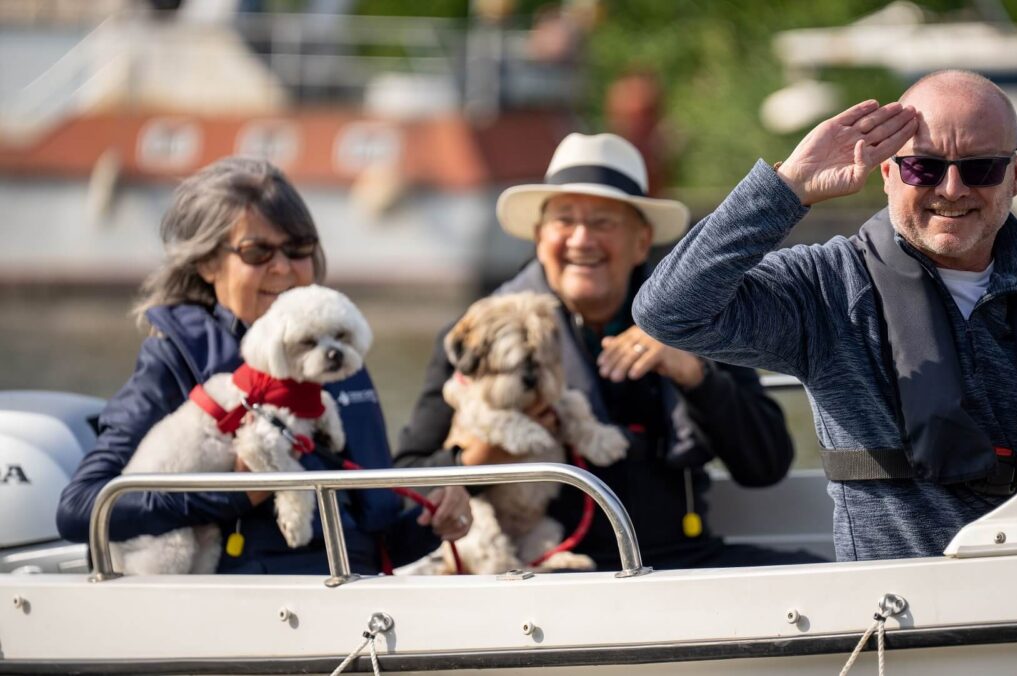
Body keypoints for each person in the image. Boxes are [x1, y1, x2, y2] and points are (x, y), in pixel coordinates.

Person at [633, 70, 1017, 562]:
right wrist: (788, 187)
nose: (953, 189)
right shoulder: (826, 288)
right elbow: (669, 312)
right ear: (888, 171)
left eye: (982, 167)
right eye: (926, 168)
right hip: (900, 618)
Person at [395, 133, 820, 570]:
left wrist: (692, 372)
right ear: (540, 237)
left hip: (685, 559)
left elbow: (766, 466)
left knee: (820, 577)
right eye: (564, 220)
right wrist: (484, 456)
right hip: (546, 569)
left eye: (603, 222)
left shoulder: (702, 321)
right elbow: (408, 482)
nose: (581, 240)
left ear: (641, 241)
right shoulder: (479, 334)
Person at [56, 157, 472, 574]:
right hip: (246, 612)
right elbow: (81, 507)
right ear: (207, 263)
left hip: (354, 600)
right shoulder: (173, 360)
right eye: (257, 252)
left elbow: (376, 540)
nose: (283, 267)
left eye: (298, 249)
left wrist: (432, 521)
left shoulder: (339, 363)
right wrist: (238, 491)